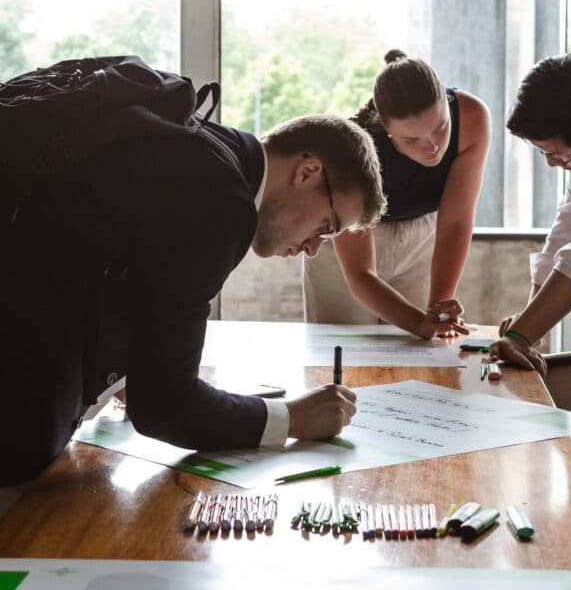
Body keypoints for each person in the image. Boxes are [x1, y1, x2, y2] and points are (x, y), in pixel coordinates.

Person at [0, 102, 386, 485]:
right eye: (326, 225)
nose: (314, 248)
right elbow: (164, 407)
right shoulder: (220, 201)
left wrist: (132, 371)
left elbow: (100, 251)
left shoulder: (201, 149)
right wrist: (294, 418)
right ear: (307, 172)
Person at [303, 50, 490, 339]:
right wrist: (417, 322)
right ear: (384, 127)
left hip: (419, 238)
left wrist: (437, 313)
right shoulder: (353, 149)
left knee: (417, 352)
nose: (432, 147)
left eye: (440, 128)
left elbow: (455, 223)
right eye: (411, 139)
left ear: (446, 101)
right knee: (342, 353)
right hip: (346, 246)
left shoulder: (472, 116)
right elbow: (360, 274)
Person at [490, 54, 571, 375]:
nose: (552, 164)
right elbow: (569, 226)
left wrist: (523, 334)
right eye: (544, 153)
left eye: (559, 156)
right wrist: (526, 323)